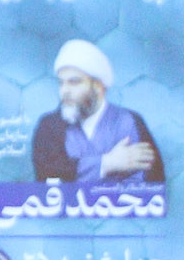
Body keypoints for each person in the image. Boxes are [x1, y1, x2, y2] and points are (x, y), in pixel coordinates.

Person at [29, 39, 163, 183]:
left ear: (98, 86)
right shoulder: (49, 125)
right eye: (61, 83)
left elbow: (150, 180)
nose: (64, 91)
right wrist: (107, 163)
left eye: (74, 82)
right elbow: (47, 173)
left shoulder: (128, 121)